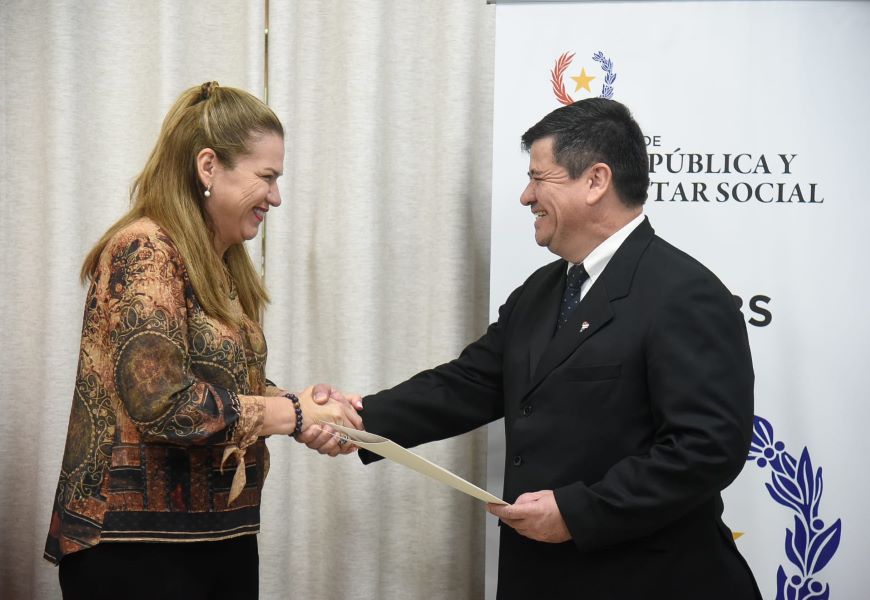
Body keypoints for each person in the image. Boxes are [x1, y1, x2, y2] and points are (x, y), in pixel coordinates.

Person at [353, 98, 761, 599]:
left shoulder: (685, 293)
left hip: (647, 579)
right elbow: (470, 383)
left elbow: (707, 448)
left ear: (595, 181)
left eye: (538, 179)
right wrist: (357, 420)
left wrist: (576, 512)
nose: (526, 196)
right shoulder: (540, 292)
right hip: (543, 576)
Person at [44, 81, 361, 600]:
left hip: (219, 539)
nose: (276, 198)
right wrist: (294, 416)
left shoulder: (220, 262)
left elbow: (222, 382)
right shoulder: (144, 249)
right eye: (267, 177)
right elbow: (163, 402)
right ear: (209, 166)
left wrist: (303, 406)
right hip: (138, 554)